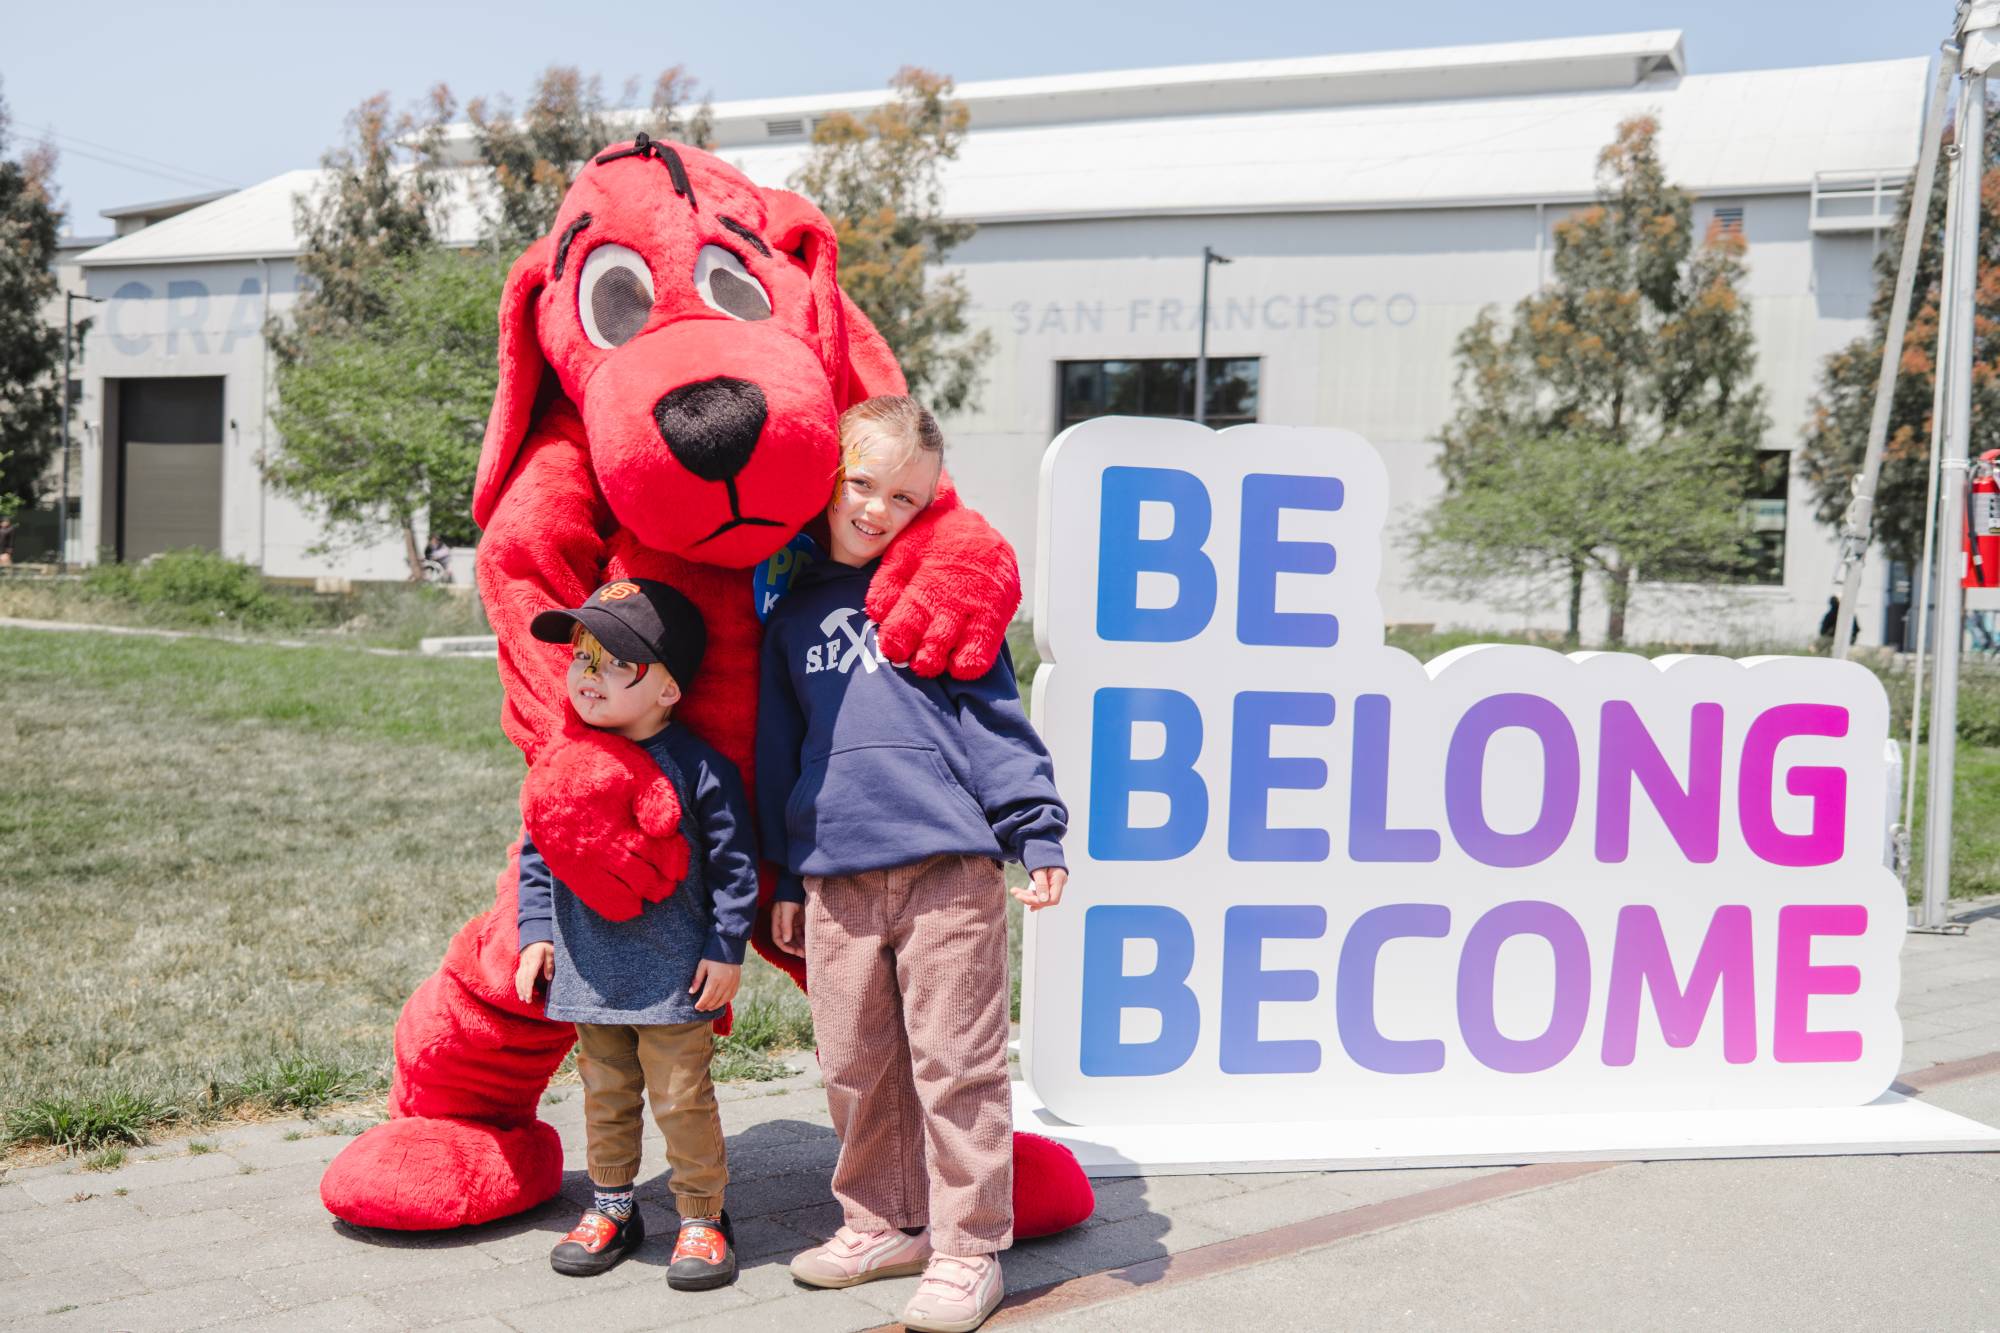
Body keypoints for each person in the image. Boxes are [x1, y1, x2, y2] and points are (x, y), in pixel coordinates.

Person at [757, 395, 1070, 1333]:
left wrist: (1036, 826)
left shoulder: (944, 583)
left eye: (905, 495)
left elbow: (996, 722)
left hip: (949, 868)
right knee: (853, 1058)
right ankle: (878, 1223)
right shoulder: (792, 611)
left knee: (957, 1063)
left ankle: (968, 1248)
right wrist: (779, 874)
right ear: (830, 475)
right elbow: (777, 751)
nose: (877, 509)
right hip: (834, 873)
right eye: (863, 483)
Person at [513, 576, 757, 1290]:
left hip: (677, 975)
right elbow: (539, 851)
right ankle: (614, 1206)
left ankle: (704, 1216)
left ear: (668, 690)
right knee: (605, 1091)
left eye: (616, 662)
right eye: (583, 657)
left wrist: (726, 945)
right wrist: (536, 933)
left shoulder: (700, 767)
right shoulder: (563, 760)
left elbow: (736, 866)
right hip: (590, 968)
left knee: (682, 1098)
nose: (590, 675)